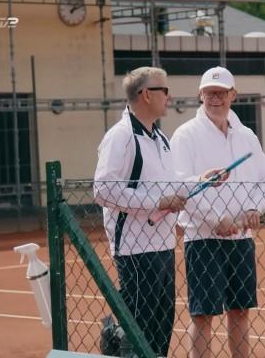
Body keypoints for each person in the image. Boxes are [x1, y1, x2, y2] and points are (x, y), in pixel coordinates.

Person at [93, 67, 225, 357]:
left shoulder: (159, 138)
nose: (169, 96)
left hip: (163, 248)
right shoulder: (121, 137)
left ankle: (114, 340)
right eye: (163, 90)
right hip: (135, 252)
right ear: (145, 94)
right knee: (138, 335)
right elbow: (102, 189)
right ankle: (113, 342)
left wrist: (199, 180)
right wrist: (157, 202)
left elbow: (169, 186)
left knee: (159, 334)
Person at [170, 66, 265, 358]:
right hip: (202, 240)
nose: (215, 98)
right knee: (203, 315)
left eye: (221, 92)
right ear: (200, 95)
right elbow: (181, 186)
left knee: (240, 311)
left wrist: (255, 207)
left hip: (241, 239)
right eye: (209, 93)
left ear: (233, 95)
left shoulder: (247, 136)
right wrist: (217, 220)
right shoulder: (185, 135)